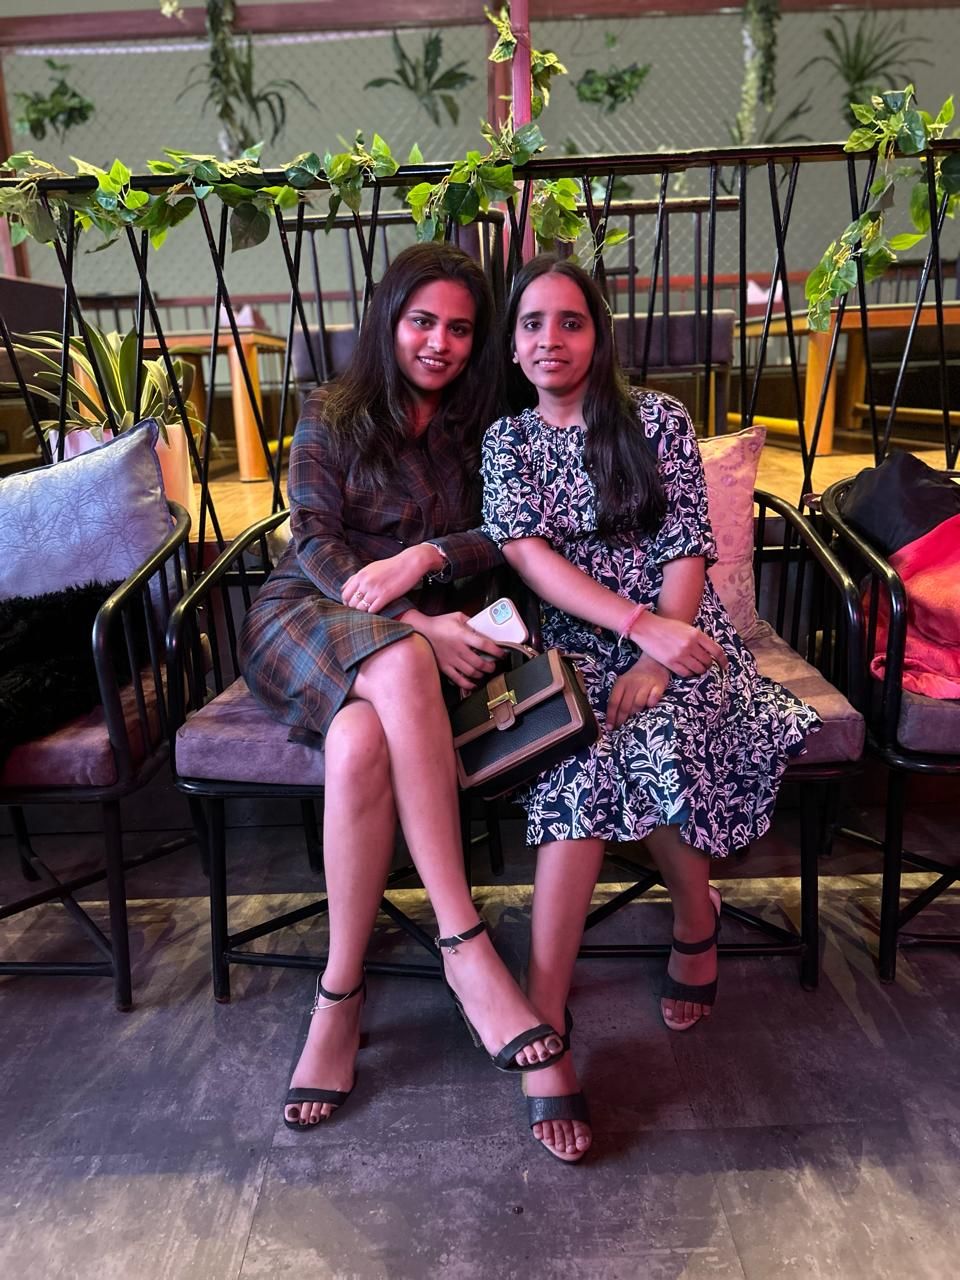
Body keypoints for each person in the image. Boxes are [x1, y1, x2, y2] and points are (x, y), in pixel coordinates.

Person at [481, 256, 820, 1162]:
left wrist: (658, 654)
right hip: (575, 648)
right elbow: (526, 555)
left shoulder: (656, 419)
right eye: (531, 324)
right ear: (511, 347)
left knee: (657, 732)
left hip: (683, 632)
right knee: (580, 764)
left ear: (598, 335)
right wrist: (630, 632)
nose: (550, 339)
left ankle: (695, 920)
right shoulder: (508, 440)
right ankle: (545, 1021)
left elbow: (685, 546)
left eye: (570, 321)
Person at [239, 243, 566, 1132]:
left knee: (356, 743)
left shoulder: (485, 423)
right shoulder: (332, 411)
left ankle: (339, 996)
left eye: (460, 330)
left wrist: (424, 559)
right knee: (402, 660)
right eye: (423, 322)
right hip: (306, 614)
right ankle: (464, 944)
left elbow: (505, 533)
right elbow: (313, 539)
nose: (439, 344)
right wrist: (418, 621)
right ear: (390, 319)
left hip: (417, 629)